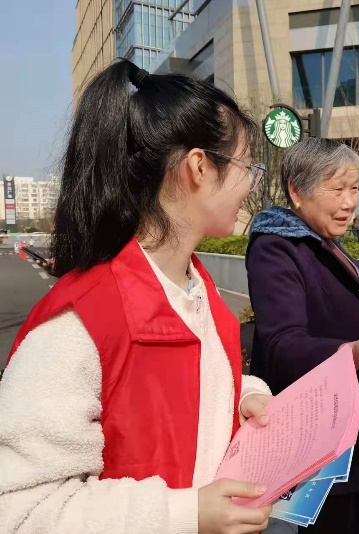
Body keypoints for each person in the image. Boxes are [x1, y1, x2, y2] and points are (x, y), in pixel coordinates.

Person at [0, 60, 276, 533]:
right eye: (247, 164)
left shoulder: (196, 288)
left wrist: (243, 394)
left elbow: (184, 393)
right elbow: (20, 511)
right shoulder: (78, 325)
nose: (252, 183)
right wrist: (186, 514)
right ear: (199, 167)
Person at [246, 138, 359, 534]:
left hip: (356, 426)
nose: (349, 202)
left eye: (355, 188)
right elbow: (281, 343)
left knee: (354, 519)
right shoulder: (276, 248)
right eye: (337, 188)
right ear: (296, 190)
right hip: (323, 434)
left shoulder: (327, 242)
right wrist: (357, 354)